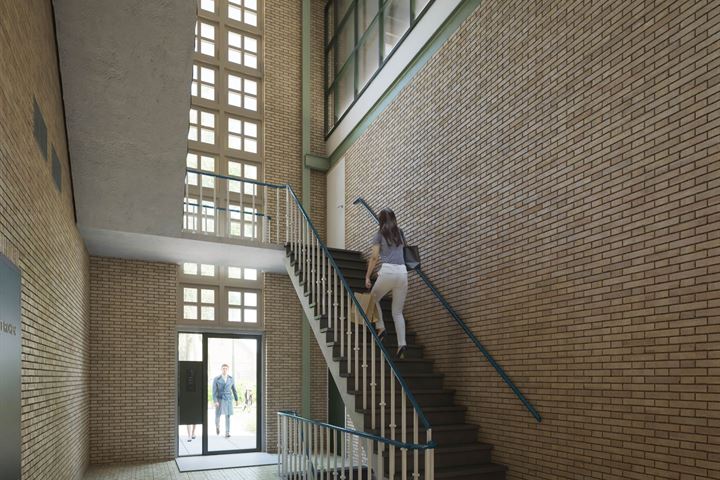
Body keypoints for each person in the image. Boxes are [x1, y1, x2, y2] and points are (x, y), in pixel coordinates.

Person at [364, 208, 408, 359]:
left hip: (388, 271)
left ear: (380, 220)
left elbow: (374, 258)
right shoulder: (400, 233)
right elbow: (404, 250)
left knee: (373, 298)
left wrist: (367, 276)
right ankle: (402, 344)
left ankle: (381, 327)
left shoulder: (379, 235)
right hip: (403, 273)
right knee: (397, 312)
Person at [212, 364, 239, 437]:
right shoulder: (216, 379)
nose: (224, 370)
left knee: (228, 416)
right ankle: (217, 426)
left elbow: (234, 389)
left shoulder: (231, 378)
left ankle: (227, 432)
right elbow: (214, 391)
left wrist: (236, 399)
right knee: (218, 415)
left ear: (228, 369)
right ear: (221, 369)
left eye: (226, 368)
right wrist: (215, 401)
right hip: (219, 399)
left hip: (228, 399)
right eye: (223, 368)